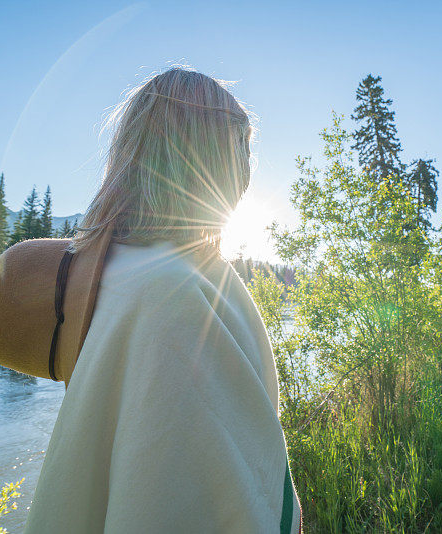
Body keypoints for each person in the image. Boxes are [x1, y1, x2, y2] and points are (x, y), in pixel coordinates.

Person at [23, 67, 302, 533]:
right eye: (240, 149)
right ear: (212, 160)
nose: (246, 171)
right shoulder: (176, 295)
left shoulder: (109, 273)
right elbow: (207, 502)